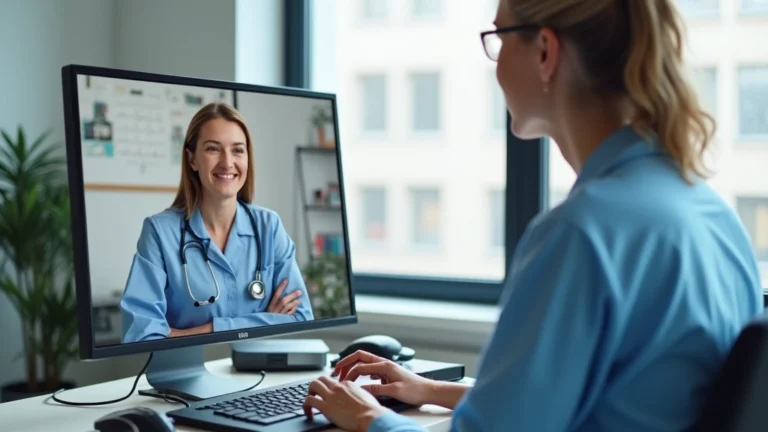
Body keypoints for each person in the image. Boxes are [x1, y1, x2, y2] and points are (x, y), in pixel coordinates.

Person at [300, 0, 764, 431]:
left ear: (545, 51)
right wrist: (431, 390)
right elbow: (617, 401)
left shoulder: (582, 233)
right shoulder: (713, 216)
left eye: (500, 39)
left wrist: (369, 418)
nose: (495, 64)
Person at [120, 103, 314, 343]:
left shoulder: (268, 227)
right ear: (192, 159)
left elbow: (301, 318)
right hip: (186, 376)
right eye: (213, 149)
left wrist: (203, 330)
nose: (227, 162)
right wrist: (265, 320)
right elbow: (141, 334)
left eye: (237, 150)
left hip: (259, 374)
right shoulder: (160, 233)